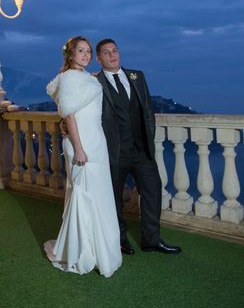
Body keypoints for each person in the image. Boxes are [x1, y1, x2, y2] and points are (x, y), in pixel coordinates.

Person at [44, 36, 122, 277]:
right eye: (81, 51)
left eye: (88, 51)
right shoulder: (68, 79)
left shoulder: (88, 78)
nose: (86, 55)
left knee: (98, 196)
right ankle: (84, 252)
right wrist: (78, 147)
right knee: (83, 195)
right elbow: (70, 116)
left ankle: (101, 250)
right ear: (70, 54)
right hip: (82, 144)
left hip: (96, 141)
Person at [95, 38, 181, 255]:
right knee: (114, 198)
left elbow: (147, 110)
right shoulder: (95, 83)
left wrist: (148, 138)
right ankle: (120, 240)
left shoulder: (137, 76)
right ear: (98, 58)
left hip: (142, 149)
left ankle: (151, 239)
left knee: (152, 190)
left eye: (115, 50)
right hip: (114, 152)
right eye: (106, 52)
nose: (112, 55)